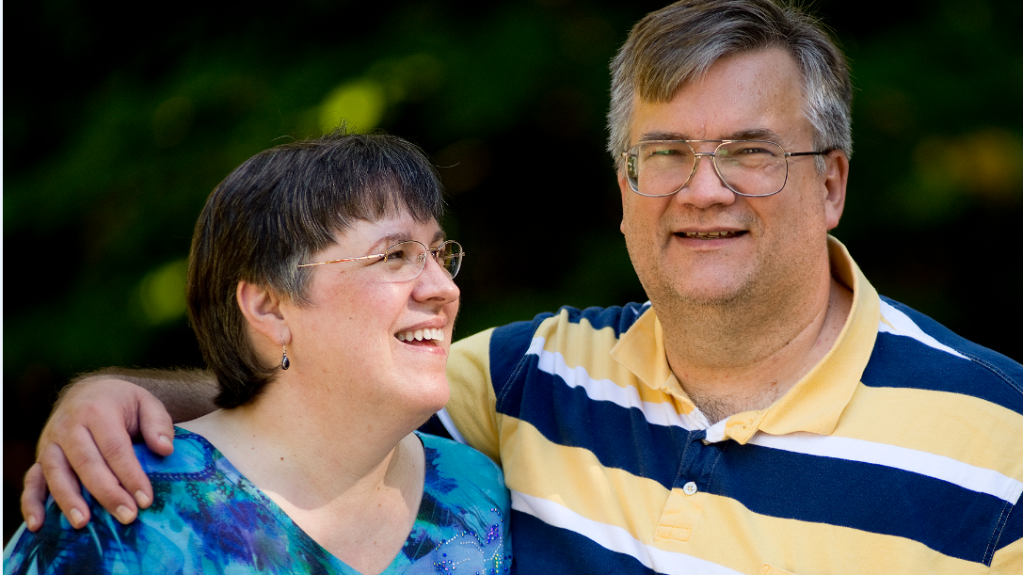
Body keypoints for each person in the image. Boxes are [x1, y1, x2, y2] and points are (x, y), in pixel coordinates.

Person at [18, 0, 1023, 573]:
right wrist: (114, 400)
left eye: (749, 151)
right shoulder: (526, 376)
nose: (702, 189)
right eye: (662, 152)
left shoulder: (1000, 434)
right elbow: (318, 394)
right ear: (624, 187)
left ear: (832, 178)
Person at [5, 132, 512, 574]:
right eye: (396, 255)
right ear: (269, 308)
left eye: (440, 254)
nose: (444, 287)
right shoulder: (125, 504)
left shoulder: (474, 492)